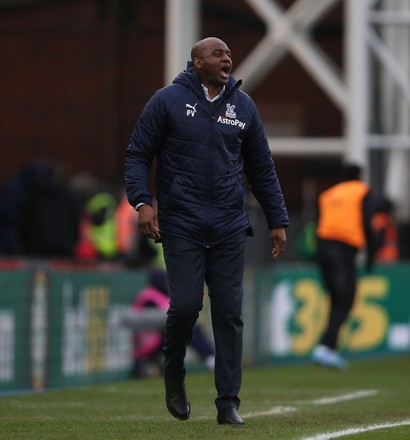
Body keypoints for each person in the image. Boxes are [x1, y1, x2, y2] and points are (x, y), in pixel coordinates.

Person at [125, 37, 289, 425]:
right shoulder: (166, 100)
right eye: (218, 53)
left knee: (229, 313)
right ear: (197, 62)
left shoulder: (243, 106)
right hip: (182, 222)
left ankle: (228, 402)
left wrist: (277, 219)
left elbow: (262, 167)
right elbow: (137, 154)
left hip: (230, 224)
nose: (227, 58)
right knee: (184, 306)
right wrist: (141, 201)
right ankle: (174, 374)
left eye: (229, 54)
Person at [311, 164, 377, 369]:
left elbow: (317, 221)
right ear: (359, 176)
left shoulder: (328, 194)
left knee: (336, 299)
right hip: (343, 248)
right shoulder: (362, 191)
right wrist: (371, 256)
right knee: (346, 299)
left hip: (322, 246)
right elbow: (368, 221)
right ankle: (325, 347)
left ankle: (328, 349)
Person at [130, 268, 215, 379]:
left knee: (189, 327)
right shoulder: (148, 296)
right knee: (189, 328)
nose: (167, 282)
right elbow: (157, 319)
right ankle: (209, 358)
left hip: (160, 336)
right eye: (165, 280)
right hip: (148, 340)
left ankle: (210, 358)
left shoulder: (162, 294)